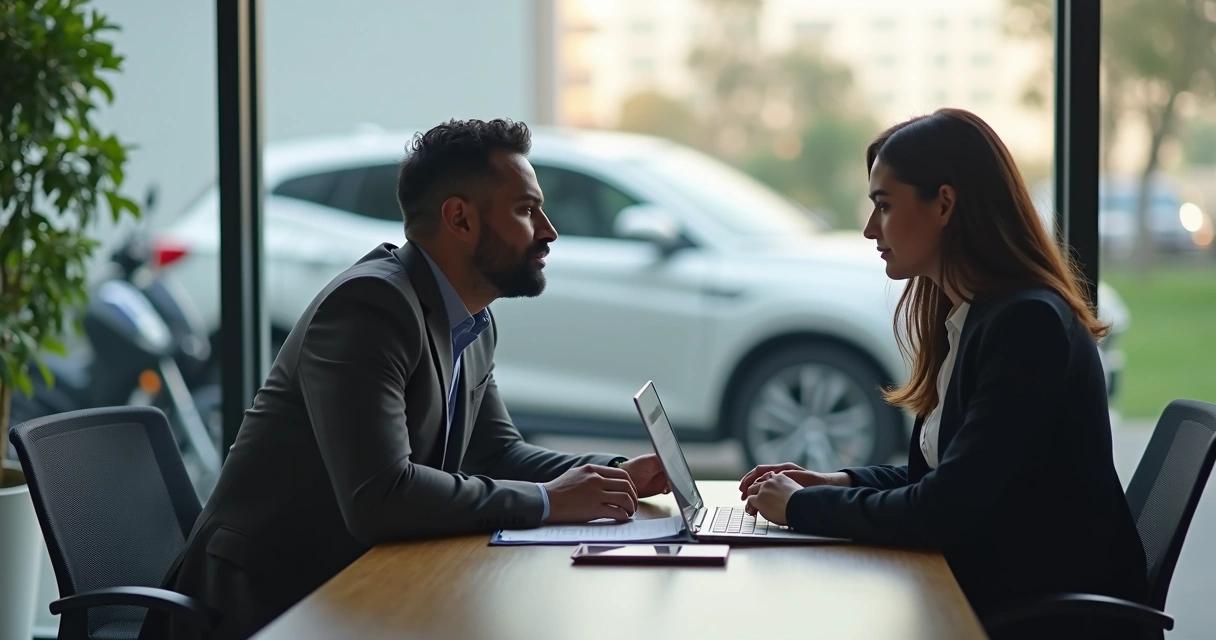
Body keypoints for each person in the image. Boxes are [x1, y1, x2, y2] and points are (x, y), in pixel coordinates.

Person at [140, 119, 669, 640]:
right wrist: (550, 500)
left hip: (356, 585)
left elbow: (497, 452)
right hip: (264, 602)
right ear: (459, 218)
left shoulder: (471, 319)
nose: (548, 230)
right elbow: (382, 497)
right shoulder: (369, 308)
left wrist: (613, 474)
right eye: (526, 209)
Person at [738, 108, 1148, 639]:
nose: (869, 229)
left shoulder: (1027, 326)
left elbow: (943, 509)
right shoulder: (970, 318)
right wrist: (836, 481)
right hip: (989, 589)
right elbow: (946, 476)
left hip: (1040, 615)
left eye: (884, 206)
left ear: (945, 204)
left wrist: (801, 506)